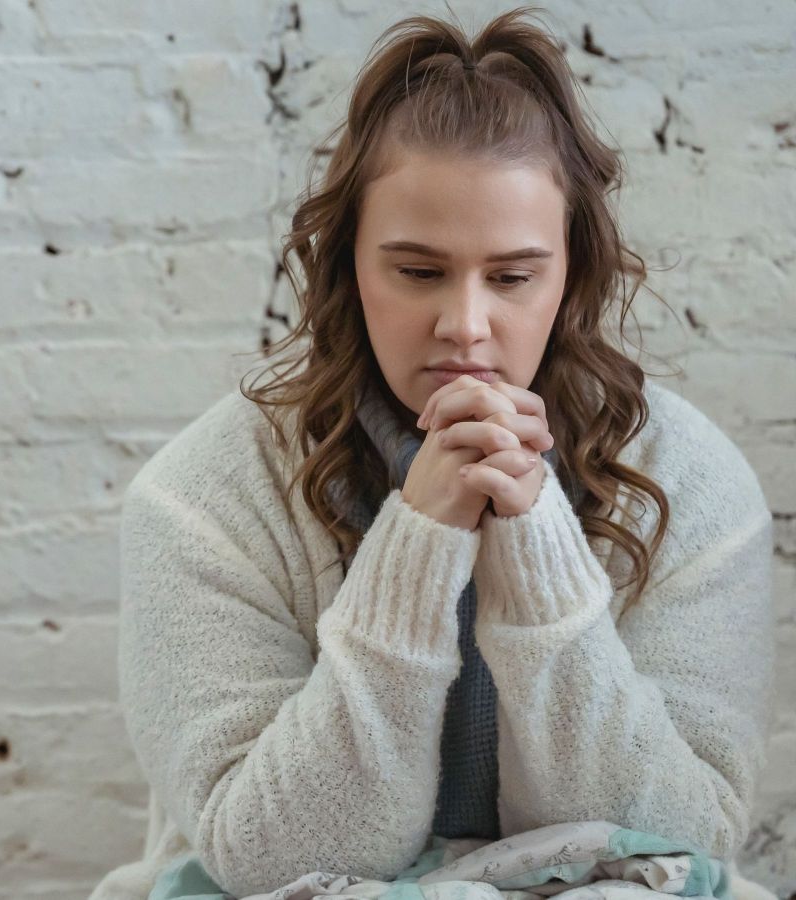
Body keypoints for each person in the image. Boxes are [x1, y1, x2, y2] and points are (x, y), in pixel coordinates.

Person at [88, 7, 778, 900]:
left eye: (512, 276)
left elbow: (677, 849)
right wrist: (418, 539)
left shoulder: (694, 485)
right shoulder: (202, 501)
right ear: (347, 267)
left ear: (573, 274)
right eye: (417, 272)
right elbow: (267, 858)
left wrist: (535, 539)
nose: (465, 327)